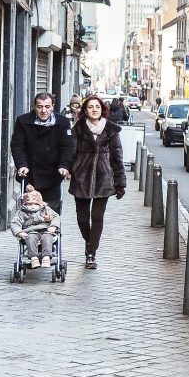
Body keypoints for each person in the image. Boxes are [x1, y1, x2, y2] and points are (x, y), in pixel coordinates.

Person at [68, 95, 126, 269]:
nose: (94, 109)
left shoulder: (111, 130)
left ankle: (91, 253)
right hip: (81, 178)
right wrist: (68, 170)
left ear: (103, 109)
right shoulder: (77, 129)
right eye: (91, 107)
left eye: (98, 107)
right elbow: (71, 154)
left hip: (104, 178)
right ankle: (89, 243)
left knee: (97, 217)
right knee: (82, 219)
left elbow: (117, 157)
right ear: (85, 110)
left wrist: (120, 183)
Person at [11, 92, 74, 214]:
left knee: (51, 213)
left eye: (47, 106)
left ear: (53, 106)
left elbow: (67, 146)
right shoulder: (23, 121)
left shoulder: (63, 122)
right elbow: (17, 145)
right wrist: (22, 165)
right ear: (35, 107)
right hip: (30, 174)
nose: (44, 110)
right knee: (30, 211)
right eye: (40, 107)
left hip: (53, 174)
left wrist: (64, 165)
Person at [10, 185, 61, 269]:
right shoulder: (22, 212)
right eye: (29, 204)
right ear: (25, 204)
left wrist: (53, 226)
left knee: (47, 238)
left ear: (40, 203)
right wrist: (19, 232)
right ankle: (34, 258)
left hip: (46, 230)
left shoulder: (46, 209)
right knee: (30, 238)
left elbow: (55, 217)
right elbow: (15, 222)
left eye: (35, 204)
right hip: (30, 231)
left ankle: (46, 257)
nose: (33, 206)